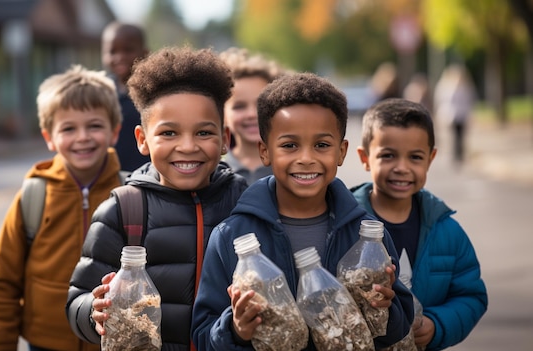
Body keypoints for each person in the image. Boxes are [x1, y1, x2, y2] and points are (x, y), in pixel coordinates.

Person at [192, 72, 414, 350]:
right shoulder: (231, 236)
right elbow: (202, 334)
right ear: (265, 151)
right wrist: (235, 329)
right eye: (289, 145)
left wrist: (386, 307)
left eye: (321, 145)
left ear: (341, 152)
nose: (306, 158)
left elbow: (398, 327)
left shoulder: (366, 235)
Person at [66, 46, 249, 351]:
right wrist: (92, 311)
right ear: (142, 140)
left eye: (204, 133)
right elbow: (77, 300)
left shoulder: (244, 201)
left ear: (225, 140)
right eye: (169, 133)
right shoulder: (122, 210)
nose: (188, 146)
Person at [0, 65, 124, 351]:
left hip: (113, 343)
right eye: (68, 128)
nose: (82, 137)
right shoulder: (33, 196)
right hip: (45, 343)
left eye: (94, 125)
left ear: (114, 132)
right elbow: (2, 286)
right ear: (49, 137)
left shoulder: (130, 196)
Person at [351, 98, 488, 350]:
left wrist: (437, 325)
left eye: (415, 157)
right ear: (365, 157)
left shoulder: (446, 231)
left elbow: (470, 296)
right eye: (388, 155)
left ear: (430, 158)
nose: (402, 168)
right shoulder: (345, 225)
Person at [219, 47, 287, 184]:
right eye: (239, 106)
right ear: (223, 114)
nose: (252, 114)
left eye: (261, 104)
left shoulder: (290, 168)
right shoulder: (214, 174)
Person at [101, 21, 150, 172]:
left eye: (128, 50)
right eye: (112, 52)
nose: (119, 57)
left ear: (145, 53)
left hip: (149, 176)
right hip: (112, 177)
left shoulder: (154, 92)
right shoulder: (100, 92)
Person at [433, 63, 476, 163]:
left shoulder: (466, 87)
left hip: (462, 114)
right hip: (451, 115)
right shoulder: (446, 86)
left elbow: (469, 100)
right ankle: (455, 154)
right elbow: (442, 100)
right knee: (454, 135)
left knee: (461, 135)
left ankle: (460, 154)